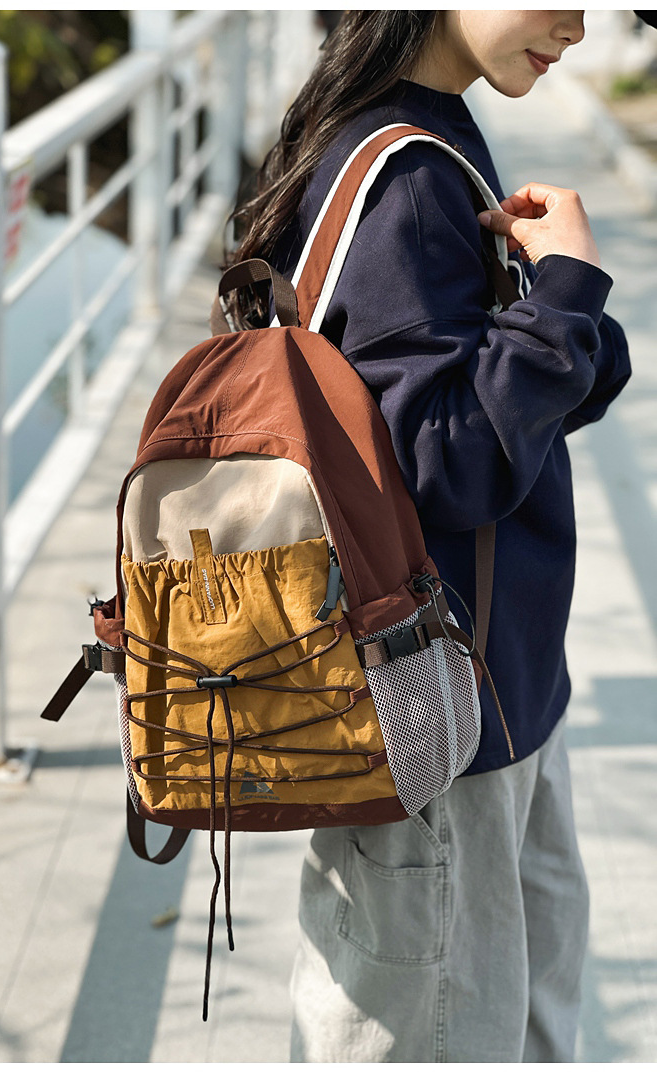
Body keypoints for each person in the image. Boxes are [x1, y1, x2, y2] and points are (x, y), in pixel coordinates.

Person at [225, 10, 632, 1063]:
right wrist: (568, 294)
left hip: (492, 692)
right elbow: (453, 463)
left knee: (507, 1021)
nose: (580, 25)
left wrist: (571, 316)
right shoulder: (406, 177)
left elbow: (483, 399)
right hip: (443, 711)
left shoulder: (422, 126)